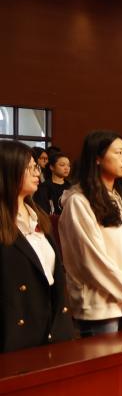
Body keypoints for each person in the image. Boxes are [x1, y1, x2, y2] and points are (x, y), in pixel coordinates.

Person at [58, 131, 122, 336]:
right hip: (101, 307)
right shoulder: (79, 202)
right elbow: (92, 260)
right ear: (97, 158)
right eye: (118, 152)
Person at [1, 141, 75, 351]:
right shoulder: (5, 222)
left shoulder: (38, 217)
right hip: (17, 334)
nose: (37, 172)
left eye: (36, 167)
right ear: (9, 170)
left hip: (53, 327)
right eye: (30, 167)